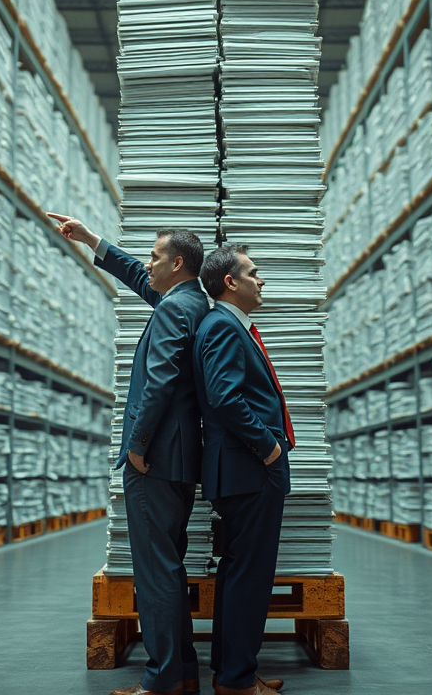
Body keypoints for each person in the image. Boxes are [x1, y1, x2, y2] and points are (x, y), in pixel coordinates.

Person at [48, 214, 209, 695]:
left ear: (177, 263)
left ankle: (161, 681)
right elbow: (139, 277)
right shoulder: (191, 302)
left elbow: (158, 384)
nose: (148, 263)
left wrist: (136, 447)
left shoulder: (172, 310)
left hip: (154, 459)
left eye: (156, 256)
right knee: (169, 567)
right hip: (179, 458)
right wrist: (91, 239)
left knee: (155, 573)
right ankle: (180, 674)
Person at [193, 245, 292, 695]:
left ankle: (234, 672)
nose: (262, 279)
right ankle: (235, 679)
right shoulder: (222, 328)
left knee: (239, 575)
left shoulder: (231, 327)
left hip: (244, 470)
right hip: (249, 470)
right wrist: (270, 449)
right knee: (249, 577)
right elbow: (225, 398)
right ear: (230, 281)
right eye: (254, 272)